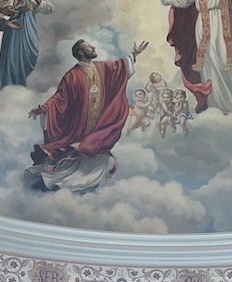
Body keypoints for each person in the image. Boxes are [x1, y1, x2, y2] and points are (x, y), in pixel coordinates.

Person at [26, 39, 148, 194]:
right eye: (89, 47)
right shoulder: (72, 76)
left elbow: (120, 68)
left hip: (97, 127)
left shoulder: (101, 68)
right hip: (78, 127)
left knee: (95, 157)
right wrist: (44, 109)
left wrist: (135, 54)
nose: (93, 47)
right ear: (82, 52)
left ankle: (80, 185)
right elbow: (60, 97)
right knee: (70, 160)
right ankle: (53, 183)